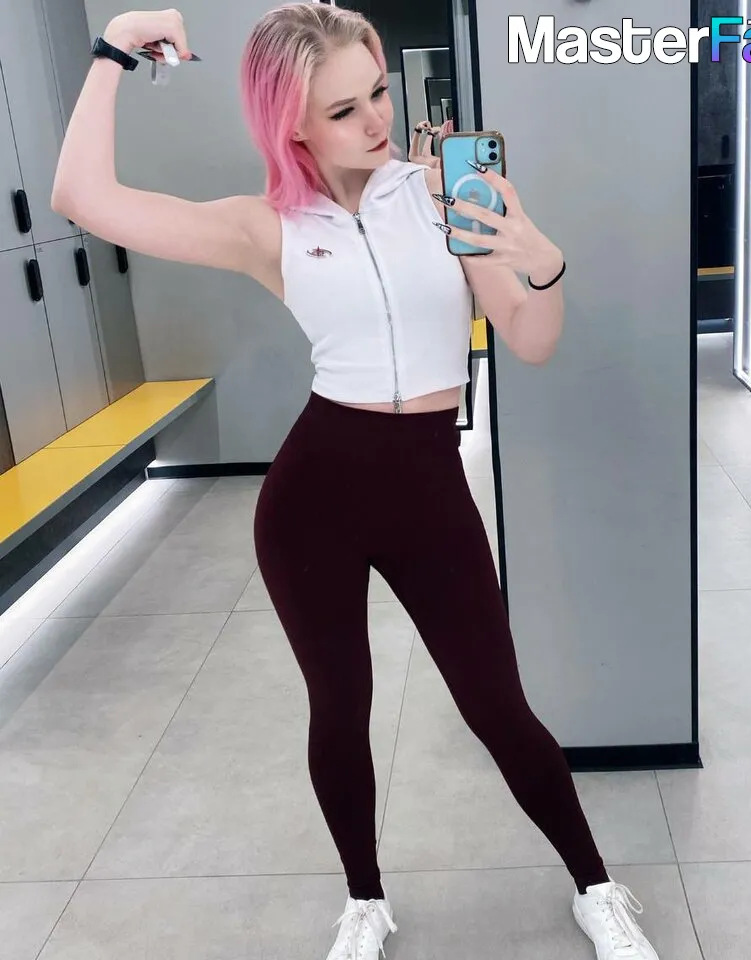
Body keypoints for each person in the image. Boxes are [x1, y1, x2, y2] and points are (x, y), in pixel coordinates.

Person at [51, 6, 660, 960]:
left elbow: (532, 343)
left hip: (428, 490)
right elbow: (81, 197)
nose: (376, 120)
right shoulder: (264, 227)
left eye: (376, 91)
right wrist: (117, 42)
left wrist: (540, 263)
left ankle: (595, 887)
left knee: (496, 706)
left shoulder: (440, 196)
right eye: (343, 110)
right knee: (339, 706)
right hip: (313, 499)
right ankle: (364, 901)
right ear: (290, 124)